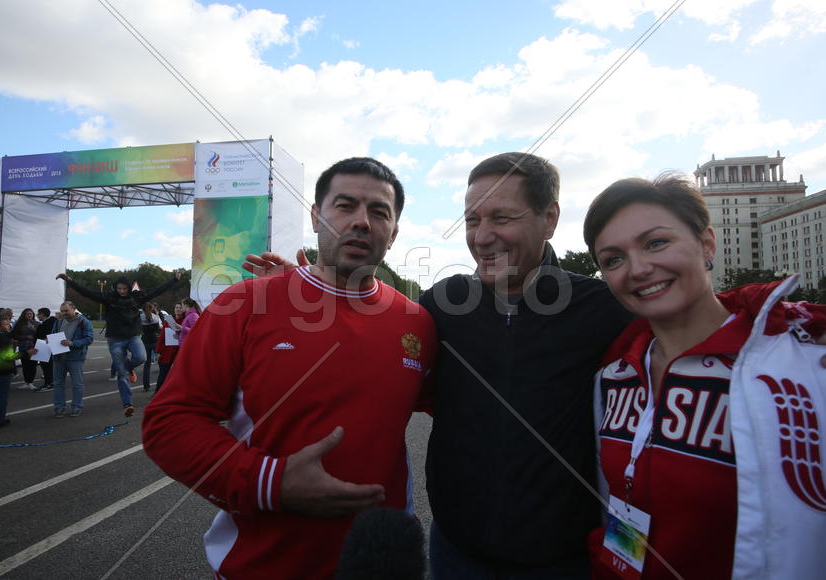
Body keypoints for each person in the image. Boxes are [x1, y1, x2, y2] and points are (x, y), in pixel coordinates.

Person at [244, 152, 633, 578]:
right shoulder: (445, 305)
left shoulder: (605, 310)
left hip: (565, 562)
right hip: (455, 554)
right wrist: (313, 288)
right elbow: (375, 336)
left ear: (550, 218)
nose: (482, 237)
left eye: (502, 218)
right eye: (471, 220)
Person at [143, 157, 437, 579]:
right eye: (345, 206)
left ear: (394, 233)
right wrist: (270, 481)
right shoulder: (242, 305)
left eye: (379, 212)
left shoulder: (417, 323)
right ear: (317, 217)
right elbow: (169, 423)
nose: (361, 222)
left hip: (380, 564)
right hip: (260, 566)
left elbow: (462, 411)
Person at [582, 174, 826, 579]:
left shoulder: (804, 370)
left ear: (707, 243)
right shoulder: (613, 378)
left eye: (656, 243)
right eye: (614, 259)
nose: (639, 268)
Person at [56, 271, 182, 417]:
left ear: (129, 288)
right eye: (119, 288)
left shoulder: (137, 297)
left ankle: (128, 368)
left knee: (141, 358)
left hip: (133, 336)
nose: (122, 291)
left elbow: (156, 290)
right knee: (121, 373)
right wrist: (70, 281)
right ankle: (127, 404)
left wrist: (174, 280)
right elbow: (87, 293)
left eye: (124, 289)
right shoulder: (109, 298)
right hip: (115, 338)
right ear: (116, 288)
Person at [0, 316, 33, 428]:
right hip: (3, 370)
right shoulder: (3, 339)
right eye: (5, 324)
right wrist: (25, 353)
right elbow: (8, 356)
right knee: (2, 397)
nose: (8, 325)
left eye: (8, 323)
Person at [47, 301, 94, 417]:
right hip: (58, 357)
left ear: (74, 309)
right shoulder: (58, 322)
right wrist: (48, 340)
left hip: (75, 357)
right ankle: (59, 407)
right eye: (62, 311)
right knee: (58, 384)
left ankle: (77, 406)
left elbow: (89, 339)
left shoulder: (83, 322)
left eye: (66, 311)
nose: (64, 313)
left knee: (77, 384)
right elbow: (53, 334)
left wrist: (72, 343)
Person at [153, 302, 184, 394]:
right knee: (163, 374)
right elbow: (162, 336)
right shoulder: (169, 319)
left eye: (180, 307)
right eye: (176, 307)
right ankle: (157, 393)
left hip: (179, 351)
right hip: (166, 351)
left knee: (177, 375)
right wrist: (158, 351)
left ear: (183, 309)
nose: (178, 309)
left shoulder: (186, 320)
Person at [11, 308, 40, 390]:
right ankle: (26, 382)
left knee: (32, 364)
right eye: (28, 313)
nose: (29, 315)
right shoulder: (19, 324)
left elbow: (40, 334)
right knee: (25, 364)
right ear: (24, 314)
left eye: (31, 313)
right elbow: (14, 335)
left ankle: (31, 382)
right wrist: (25, 337)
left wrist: (33, 329)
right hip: (23, 346)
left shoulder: (37, 323)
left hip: (33, 346)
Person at [139, 302, 161, 393]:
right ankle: (162, 382)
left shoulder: (140, 317)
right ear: (152, 308)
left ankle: (146, 386)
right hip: (155, 340)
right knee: (161, 363)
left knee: (147, 365)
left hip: (145, 341)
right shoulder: (155, 317)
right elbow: (159, 328)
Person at [33, 307, 56, 392]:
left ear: (42, 314)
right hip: (47, 347)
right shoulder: (52, 322)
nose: (37, 316)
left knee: (47, 366)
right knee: (48, 366)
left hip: (45, 347)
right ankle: (50, 382)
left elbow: (41, 336)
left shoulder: (46, 324)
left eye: (38, 314)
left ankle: (49, 383)